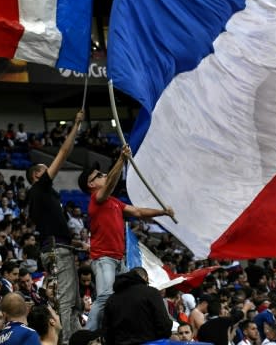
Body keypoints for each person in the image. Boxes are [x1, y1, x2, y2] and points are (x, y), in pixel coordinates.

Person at [78, 146, 174, 331]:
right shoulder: (96, 199)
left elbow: (137, 211)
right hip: (104, 258)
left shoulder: (113, 201)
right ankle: (88, 335)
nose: (104, 175)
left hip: (119, 258)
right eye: (98, 175)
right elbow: (110, 184)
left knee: (124, 296)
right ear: (91, 184)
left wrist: (163, 212)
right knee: (105, 295)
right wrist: (121, 160)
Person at [26, 110, 86, 345]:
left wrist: (78, 244)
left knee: (73, 303)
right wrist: (76, 125)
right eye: (44, 169)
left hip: (60, 248)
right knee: (65, 301)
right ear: (37, 175)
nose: (49, 170)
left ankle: (73, 339)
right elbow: (63, 152)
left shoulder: (46, 196)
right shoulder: (39, 188)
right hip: (56, 250)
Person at [102, 267, 172, 345]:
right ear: (145, 278)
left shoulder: (111, 299)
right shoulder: (151, 293)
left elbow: (107, 330)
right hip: (149, 342)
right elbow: (164, 324)